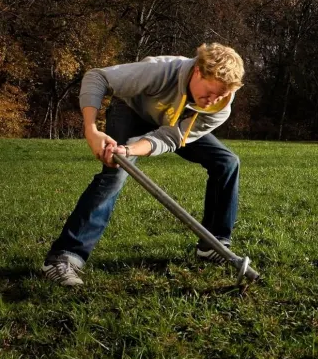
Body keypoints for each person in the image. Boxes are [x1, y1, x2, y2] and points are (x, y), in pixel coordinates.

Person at [42, 43, 245, 287]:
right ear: (198, 72)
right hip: (131, 111)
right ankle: (64, 257)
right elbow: (97, 77)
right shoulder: (161, 71)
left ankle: (213, 244)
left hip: (171, 124)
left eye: (220, 96)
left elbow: (170, 138)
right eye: (210, 93)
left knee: (226, 161)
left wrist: (129, 150)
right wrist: (91, 129)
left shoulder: (219, 108)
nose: (212, 101)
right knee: (115, 173)